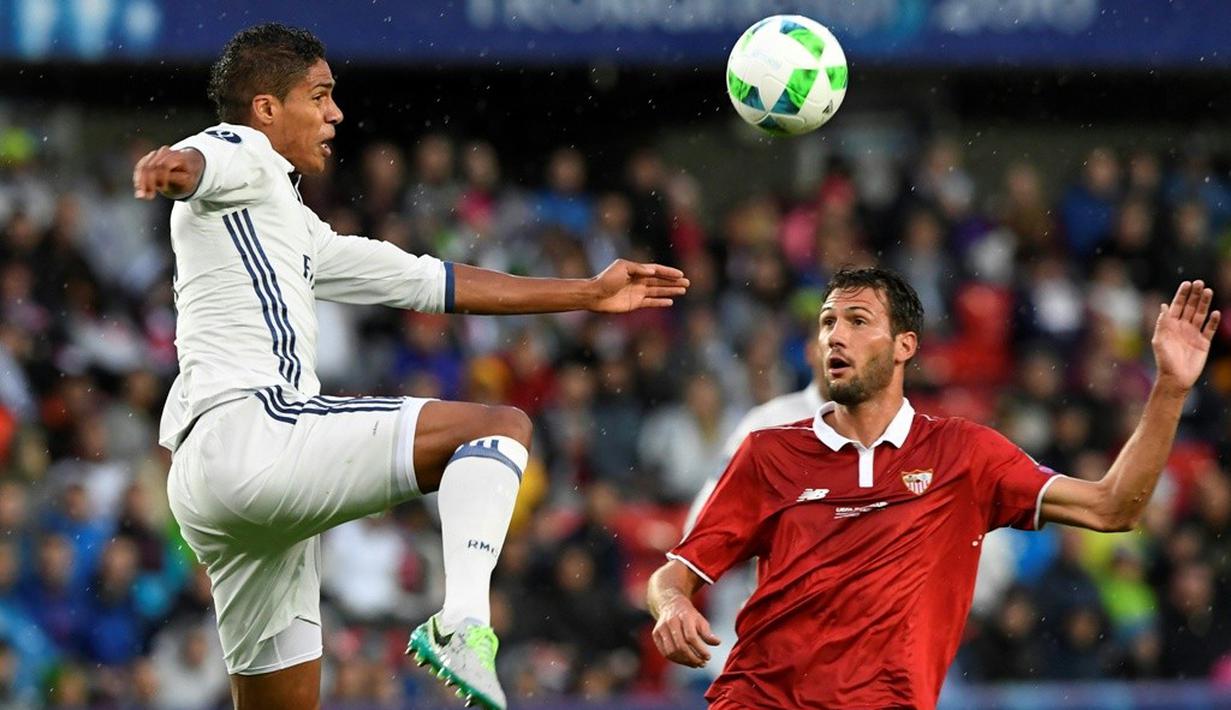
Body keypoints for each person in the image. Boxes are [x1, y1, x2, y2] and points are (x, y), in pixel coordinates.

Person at [131, 24, 688, 710]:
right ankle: (462, 620)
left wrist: (585, 293)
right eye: (320, 95)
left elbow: (431, 282)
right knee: (498, 426)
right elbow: (206, 158)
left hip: (212, 486)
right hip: (255, 432)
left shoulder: (292, 228)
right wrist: (175, 166)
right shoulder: (240, 149)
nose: (335, 113)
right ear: (267, 109)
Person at [647, 266, 1218, 709]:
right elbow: (676, 572)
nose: (835, 337)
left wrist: (1169, 388)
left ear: (905, 346)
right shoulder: (768, 451)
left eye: (857, 320)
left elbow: (1114, 507)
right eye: (827, 323)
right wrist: (671, 604)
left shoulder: (964, 455)